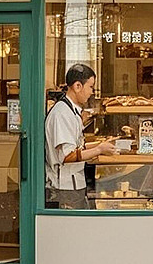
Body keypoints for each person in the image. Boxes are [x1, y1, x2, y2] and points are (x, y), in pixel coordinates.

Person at [45, 63, 116, 209]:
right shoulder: (61, 114)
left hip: (73, 184)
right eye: (90, 87)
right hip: (63, 189)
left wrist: (99, 145)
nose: (92, 92)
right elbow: (67, 156)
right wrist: (99, 150)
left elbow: (77, 146)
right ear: (77, 86)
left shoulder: (72, 111)